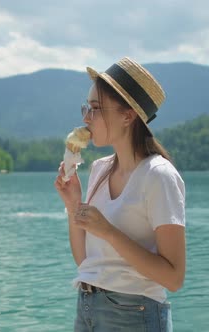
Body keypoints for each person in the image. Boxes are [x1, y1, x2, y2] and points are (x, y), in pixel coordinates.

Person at [54, 57, 186, 331]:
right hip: (88, 306)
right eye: (86, 108)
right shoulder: (99, 170)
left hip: (133, 314)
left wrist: (108, 231)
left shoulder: (158, 176)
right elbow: (87, 262)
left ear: (128, 115)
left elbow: (173, 278)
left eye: (95, 108)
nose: (85, 118)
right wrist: (73, 205)